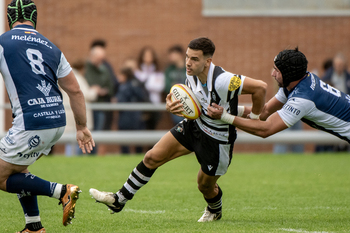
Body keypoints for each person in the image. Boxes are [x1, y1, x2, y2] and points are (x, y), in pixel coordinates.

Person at [89, 37, 267, 222]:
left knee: (204, 186)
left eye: (195, 59)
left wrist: (252, 119)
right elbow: (197, 103)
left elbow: (260, 88)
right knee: (151, 157)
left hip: (217, 139)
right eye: (187, 57)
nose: (188, 63)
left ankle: (215, 210)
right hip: (194, 126)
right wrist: (173, 105)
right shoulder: (190, 73)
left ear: (208, 62)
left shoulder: (223, 80)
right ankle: (119, 199)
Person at [0, 1, 95, 232]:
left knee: (1, 175)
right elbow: (75, 90)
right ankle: (34, 226)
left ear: (9, 19)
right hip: (57, 121)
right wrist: (82, 127)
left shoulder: (3, 42)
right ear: (35, 19)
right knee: (18, 170)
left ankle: (62, 191)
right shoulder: (52, 48)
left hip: (32, 122)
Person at [209, 48, 350, 149]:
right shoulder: (299, 80)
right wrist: (231, 110)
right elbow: (264, 112)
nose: (272, 74)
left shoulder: (303, 98)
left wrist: (225, 117)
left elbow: (266, 129)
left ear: (288, 74)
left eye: (277, 70)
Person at [61, 60, 99, 156]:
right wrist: (95, 90)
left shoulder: (66, 77)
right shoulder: (78, 78)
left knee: (71, 142)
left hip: (69, 114)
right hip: (76, 115)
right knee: (77, 143)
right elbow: (85, 95)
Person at [85, 40, 114, 155]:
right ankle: (85, 154)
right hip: (88, 106)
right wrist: (94, 89)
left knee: (97, 134)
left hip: (101, 105)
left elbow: (110, 86)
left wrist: (102, 90)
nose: (100, 61)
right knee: (87, 132)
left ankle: (93, 154)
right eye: (98, 58)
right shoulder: (86, 68)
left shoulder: (104, 69)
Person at [116, 67, 147, 154]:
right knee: (138, 139)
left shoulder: (124, 86)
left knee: (125, 139)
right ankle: (139, 155)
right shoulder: (136, 84)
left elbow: (120, 100)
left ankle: (127, 154)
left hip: (127, 117)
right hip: (136, 116)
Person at [134, 46, 165, 130]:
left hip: (154, 104)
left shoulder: (158, 72)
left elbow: (160, 87)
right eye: (146, 55)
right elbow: (136, 88)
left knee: (152, 128)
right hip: (141, 105)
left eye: (150, 55)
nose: (148, 58)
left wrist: (145, 85)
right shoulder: (138, 72)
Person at [164, 45, 187, 125]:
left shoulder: (188, 69)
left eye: (173, 54)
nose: (170, 57)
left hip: (189, 101)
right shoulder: (169, 70)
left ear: (180, 54)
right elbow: (167, 87)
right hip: (175, 102)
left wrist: (175, 85)